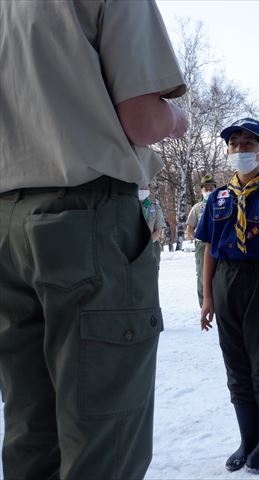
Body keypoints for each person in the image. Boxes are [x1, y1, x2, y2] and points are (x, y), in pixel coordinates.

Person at [0, 2, 188, 478]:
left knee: (29, 428)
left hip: (6, 225)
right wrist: (177, 117)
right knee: (103, 442)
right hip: (86, 219)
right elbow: (143, 121)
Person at [196, 118, 259, 473]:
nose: (239, 150)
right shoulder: (219, 197)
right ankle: (247, 437)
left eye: (247, 145)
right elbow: (210, 249)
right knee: (235, 364)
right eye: (233, 144)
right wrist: (208, 297)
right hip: (226, 280)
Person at [186, 174, 216, 307]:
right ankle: (204, 304)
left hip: (218, 244)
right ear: (201, 191)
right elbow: (190, 228)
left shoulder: (222, 204)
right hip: (202, 246)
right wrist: (198, 236)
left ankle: (218, 303)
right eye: (206, 189)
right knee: (203, 274)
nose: (209, 191)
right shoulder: (197, 207)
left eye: (211, 188)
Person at [140, 185, 166, 270]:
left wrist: (147, 243)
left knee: (151, 275)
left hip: (152, 246)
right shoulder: (129, 207)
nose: (143, 190)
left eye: (145, 188)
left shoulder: (155, 207)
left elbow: (158, 230)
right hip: (133, 247)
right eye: (140, 188)